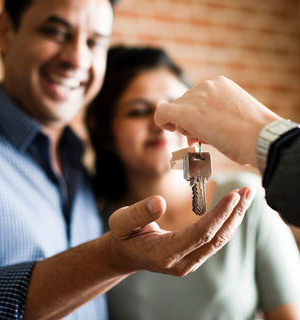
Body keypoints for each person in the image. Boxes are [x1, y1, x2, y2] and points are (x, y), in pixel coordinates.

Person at [0, 0, 256, 319]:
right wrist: (112, 258)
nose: (77, 58)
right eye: (56, 32)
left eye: (94, 42)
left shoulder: (77, 168)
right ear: (5, 31)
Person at [85, 45, 300, 320]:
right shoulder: (95, 224)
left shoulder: (249, 198)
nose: (161, 122)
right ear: (104, 131)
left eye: (173, 108)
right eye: (138, 111)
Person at [154, 76, 300, 227]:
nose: (160, 126)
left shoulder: (247, 194)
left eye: (175, 108)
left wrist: (265, 137)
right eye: (138, 112)